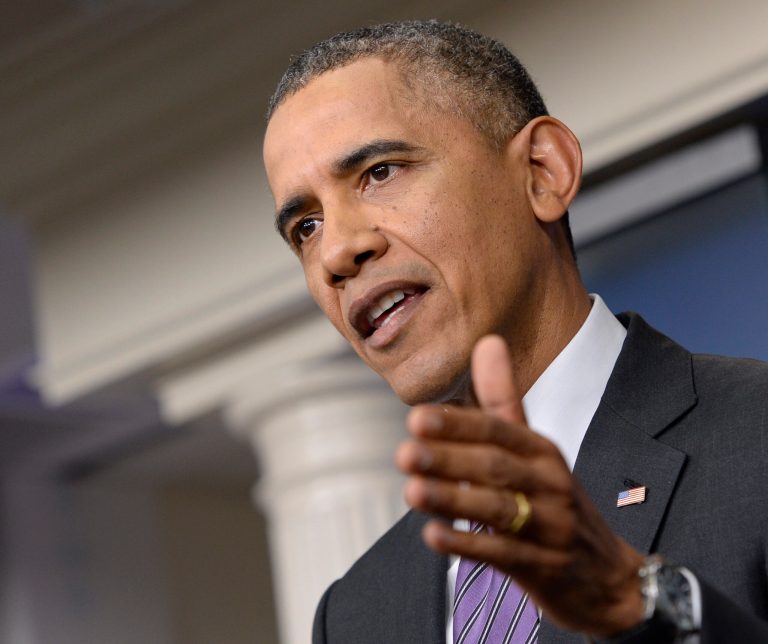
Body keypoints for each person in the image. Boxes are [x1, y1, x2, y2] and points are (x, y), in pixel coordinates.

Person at [263, 20, 768, 643]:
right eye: (305, 228)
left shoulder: (757, 435)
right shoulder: (358, 614)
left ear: (542, 171)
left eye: (381, 171)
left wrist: (639, 605)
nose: (337, 250)